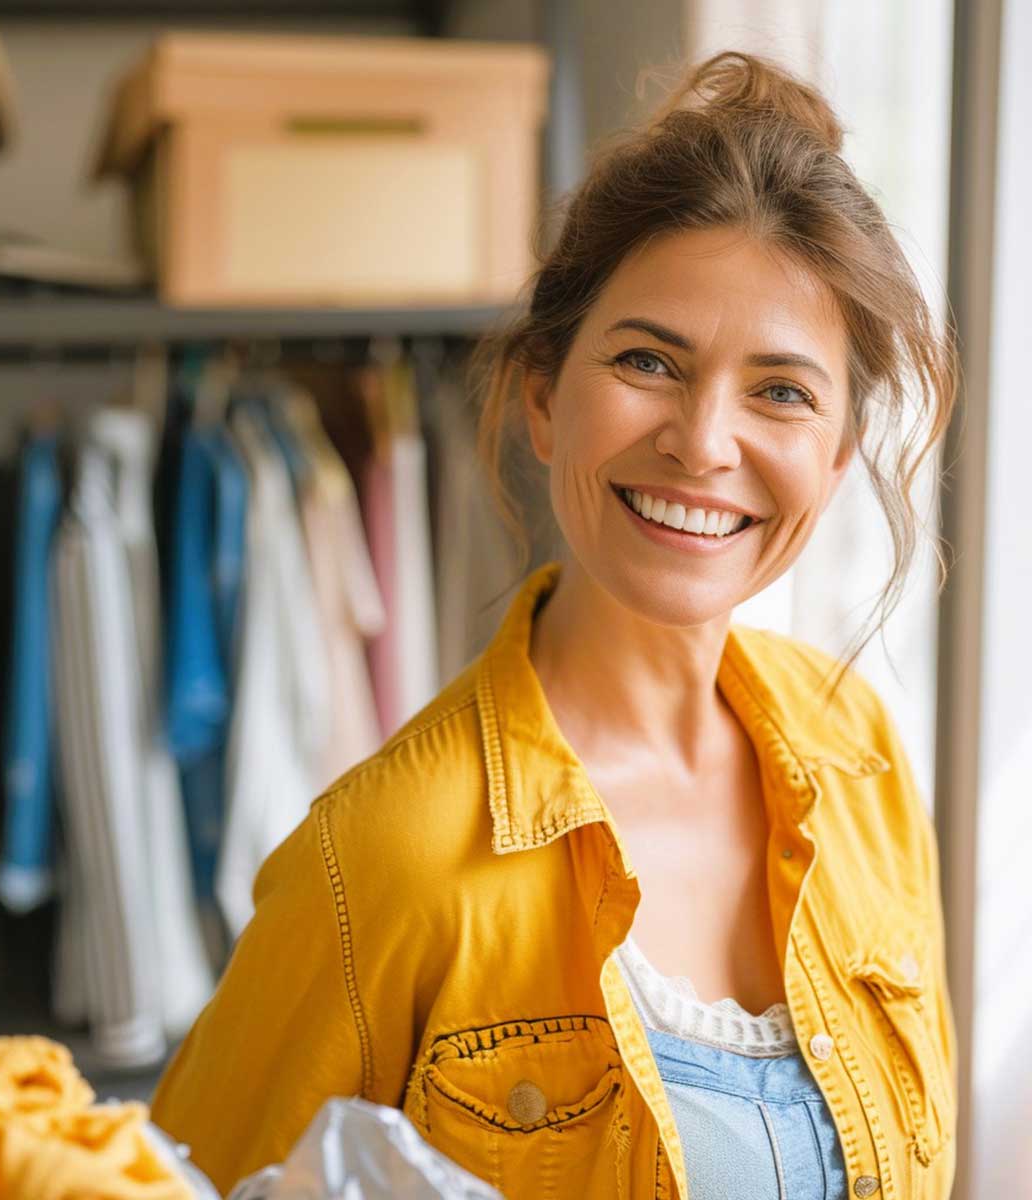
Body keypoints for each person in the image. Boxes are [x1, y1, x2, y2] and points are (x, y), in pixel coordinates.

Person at [150, 50, 959, 1200]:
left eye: (780, 390)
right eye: (648, 362)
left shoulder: (862, 753)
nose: (704, 442)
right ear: (541, 394)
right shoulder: (382, 859)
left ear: (833, 459)